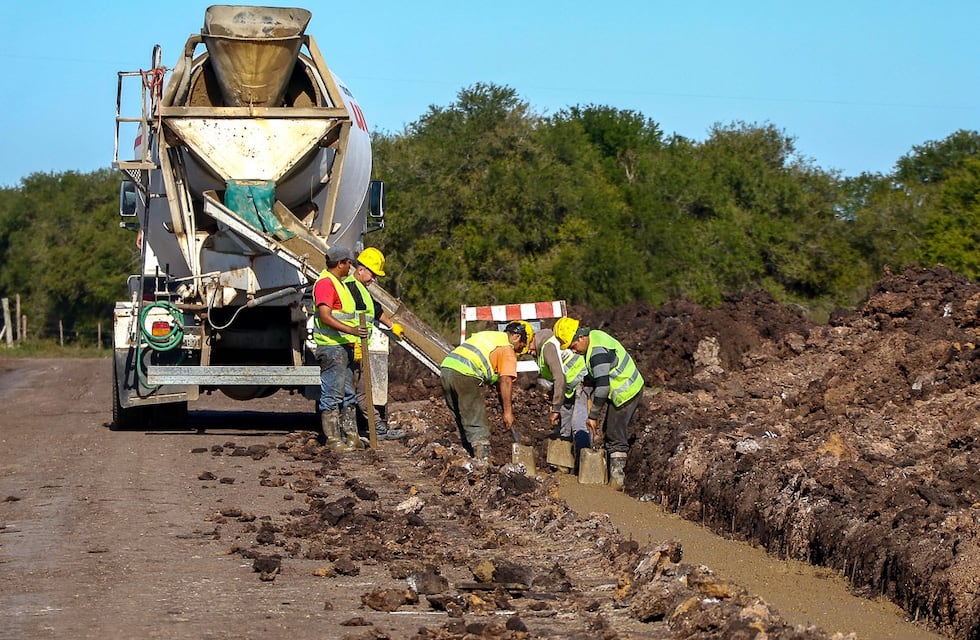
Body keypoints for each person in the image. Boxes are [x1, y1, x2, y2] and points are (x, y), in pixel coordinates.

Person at [554, 317, 644, 491]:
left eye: (572, 346)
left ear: (580, 337)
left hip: (626, 391)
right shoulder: (594, 337)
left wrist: (593, 415)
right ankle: (611, 475)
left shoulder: (596, 352)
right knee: (609, 430)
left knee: (614, 433)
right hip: (622, 388)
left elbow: (603, 387)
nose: (573, 351)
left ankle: (617, 480)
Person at [439, 320, 534, 461]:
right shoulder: (507, 349)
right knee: (476, 420)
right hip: (466, 373)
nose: (518, 352)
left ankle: (466, 456)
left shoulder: (489, 336)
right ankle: (483, 463)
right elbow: (506, 381)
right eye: (520, 347)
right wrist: (508, 412)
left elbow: (493, 373)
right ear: (517, 337)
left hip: (446, 369)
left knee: (462, 417)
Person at [344, 247, 406, 441]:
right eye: (372, 274)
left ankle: (376, 426)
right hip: (350, 347)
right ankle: (347, 431)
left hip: (359, 347)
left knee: (363, 390)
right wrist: (354, 345)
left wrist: (392, 325)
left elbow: (375, 311)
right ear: (361, 269)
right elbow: (351, 319)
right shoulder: (351, 287)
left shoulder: (362, 289)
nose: (374, 279)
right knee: (348, 391)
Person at [311, 245, 368, 451]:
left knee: (348, 393)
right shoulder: (326, 284)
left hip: (343, 346)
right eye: (348, 263)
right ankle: (334, 440)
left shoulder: (339, 283)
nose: (350, 266)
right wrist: (352, 331)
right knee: (332, 394)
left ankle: (351, 436)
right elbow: (326, 316)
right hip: (332, 347)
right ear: (340, 263)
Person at [529, 326, 593, 470]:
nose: (526, 351)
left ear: (531, 338)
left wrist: (555, 408)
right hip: (568, 388)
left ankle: (585, 467)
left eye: (527, 346)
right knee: (564, 426)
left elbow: (559, 377)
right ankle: (565, 465)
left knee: (579, 424)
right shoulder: (542, 347)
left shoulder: (547, 347)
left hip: (583, 381)